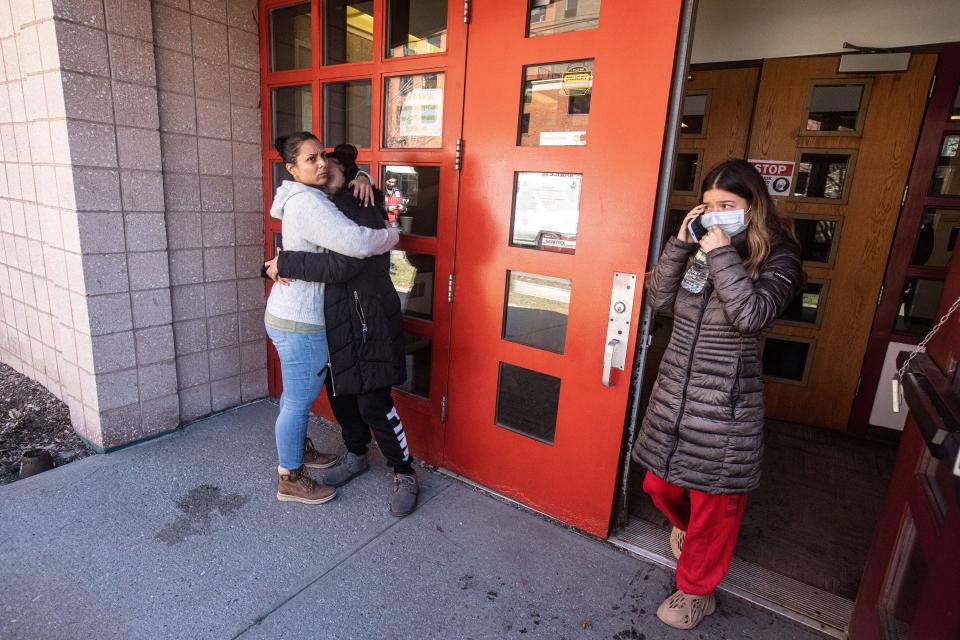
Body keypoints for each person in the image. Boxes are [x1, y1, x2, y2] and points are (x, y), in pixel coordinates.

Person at [631, 159, 802, 630]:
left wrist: (724, 254)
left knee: (716, 506)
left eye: (727, 205)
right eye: (708, 204)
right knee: (659, 484)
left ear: (753, 207)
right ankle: (685, 530)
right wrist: (682, 244)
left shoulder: (779, 258)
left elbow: (751, 316)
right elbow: (661, 302)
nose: (716, 213)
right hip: (675, 392)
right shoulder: (700, 249)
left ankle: (695, 592)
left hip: (726, 401)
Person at [265, 148, 420, 517]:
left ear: (349, 175)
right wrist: (270, 266)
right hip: (335, 322)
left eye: (331, 169)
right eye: (318, 166)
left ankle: (404, 471)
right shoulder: (320, 206)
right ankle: (356, 454)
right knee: (342, 395)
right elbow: (304, 246)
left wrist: (285, 261)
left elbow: (346, 262)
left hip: (370, 320)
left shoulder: (363, 204)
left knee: (374, 403)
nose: (322, 171)